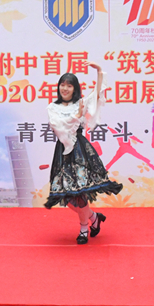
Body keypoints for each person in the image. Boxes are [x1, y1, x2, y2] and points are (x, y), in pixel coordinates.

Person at [43, 63, 123, 244]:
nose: (65, 88)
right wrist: (76, 116)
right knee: (65, 195)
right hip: (63, 151)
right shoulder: (52, 107)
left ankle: (84, 229)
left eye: (69, 85)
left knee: (80, 193)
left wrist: (100, 72)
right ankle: (94, 217)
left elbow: (96, 95)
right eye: (62, 84)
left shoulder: (81, 103)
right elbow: (58, 127)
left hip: (80, 151)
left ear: (75, 88)